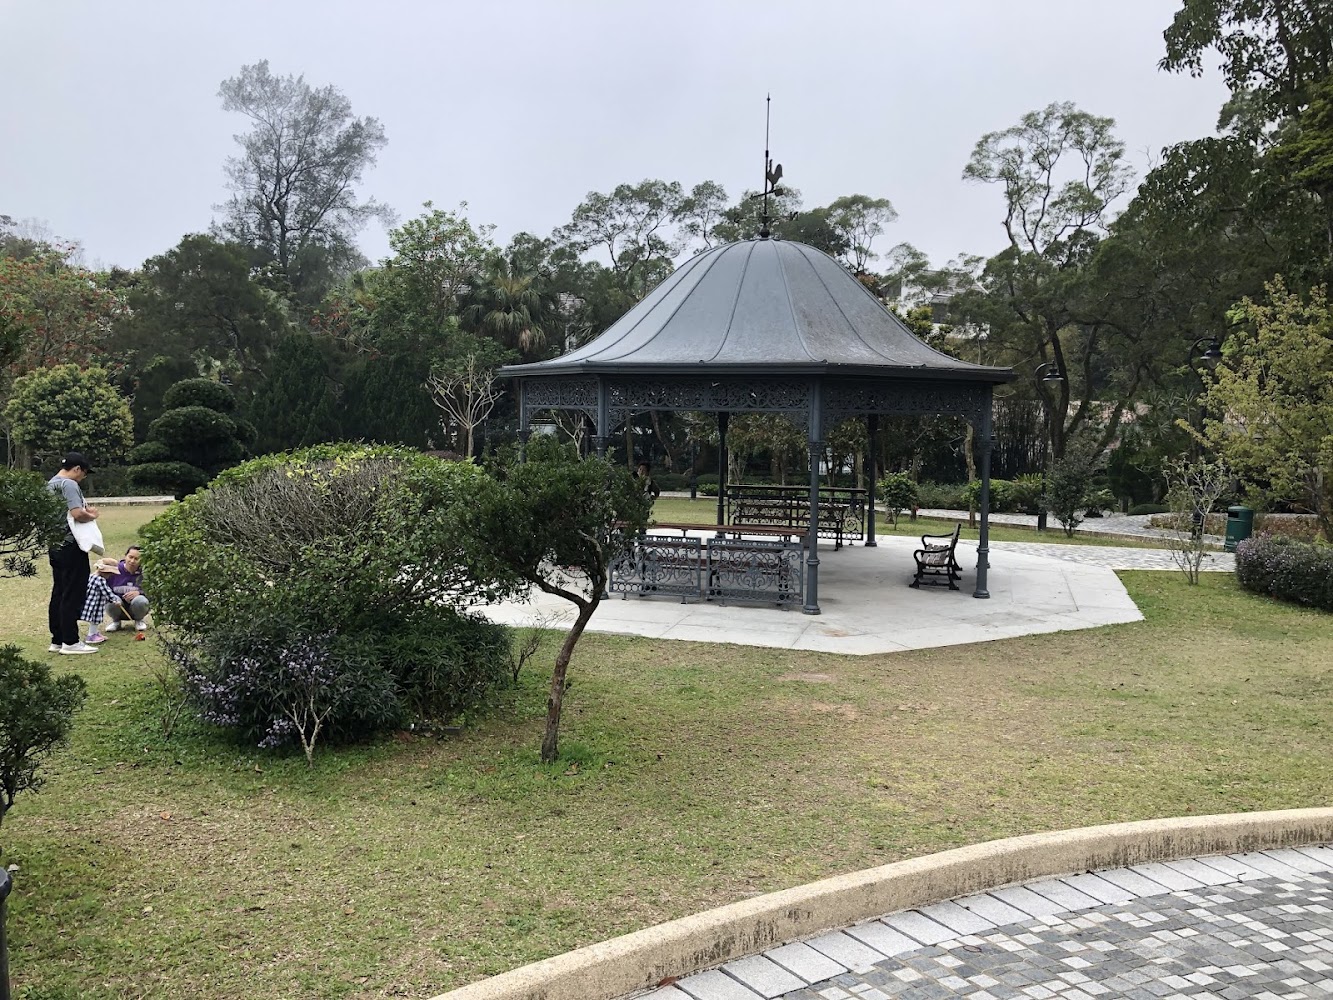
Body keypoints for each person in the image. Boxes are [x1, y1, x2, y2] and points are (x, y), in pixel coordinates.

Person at [46, 452, 100, 655]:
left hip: (55, 544)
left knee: (59, 591)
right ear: (77, 469)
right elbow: (77, 513)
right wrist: (91, 515)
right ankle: (71, 641)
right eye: (84, 473)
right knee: (73, 591)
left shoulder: (50, 484)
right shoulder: (68, 484)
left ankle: (57, 639)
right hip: (71, 545)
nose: (83, 477)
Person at [104, 545, 150, 633]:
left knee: (141, 600)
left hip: (136, 608)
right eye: (130, 557)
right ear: (125, 556)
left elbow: (152, 592)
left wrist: (139, 592)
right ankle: (116, 622)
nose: (132, 561)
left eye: (136, 559)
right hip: (118, 607)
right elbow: (104, 588)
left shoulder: (145, 573)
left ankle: (139, 621)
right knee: (111, 599)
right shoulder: (114, 570)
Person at [81, 558, 122, 644]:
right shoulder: (101, 580)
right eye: (110, 574)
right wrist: (115, 600)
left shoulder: (92, 576)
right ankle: (91, 636)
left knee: (94, 619)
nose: (110, 576)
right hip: (96, 603)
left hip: (90, 602)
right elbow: (107, 591)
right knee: (95, 619)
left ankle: (95, 633)